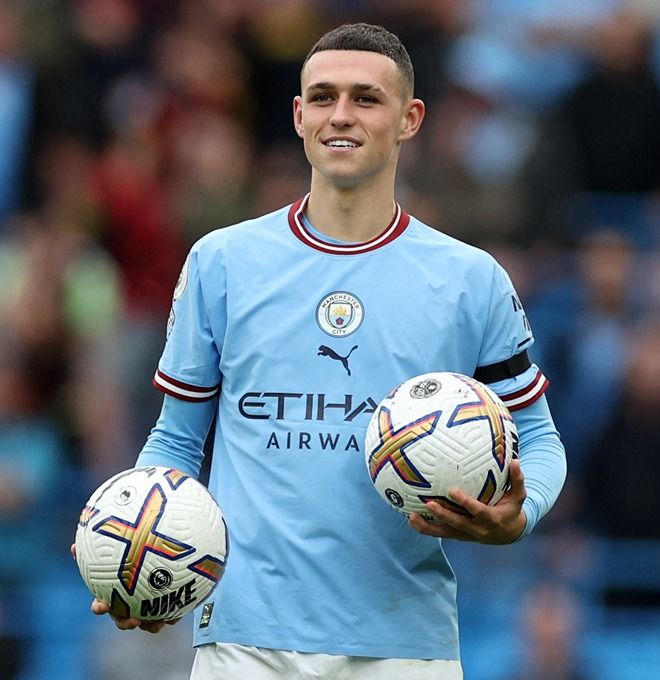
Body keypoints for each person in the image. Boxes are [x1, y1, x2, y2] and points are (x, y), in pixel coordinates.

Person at [77, 23, 567, 679]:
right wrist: (148, 554)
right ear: (299, 113)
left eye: (366, 98)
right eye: (324, 96)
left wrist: (520, 512)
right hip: (244, 644)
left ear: (409, 119)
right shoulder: (221, 263)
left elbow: (538, 437)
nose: (341, 115)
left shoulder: (468, 279)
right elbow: (176, 438)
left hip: (404, 644)